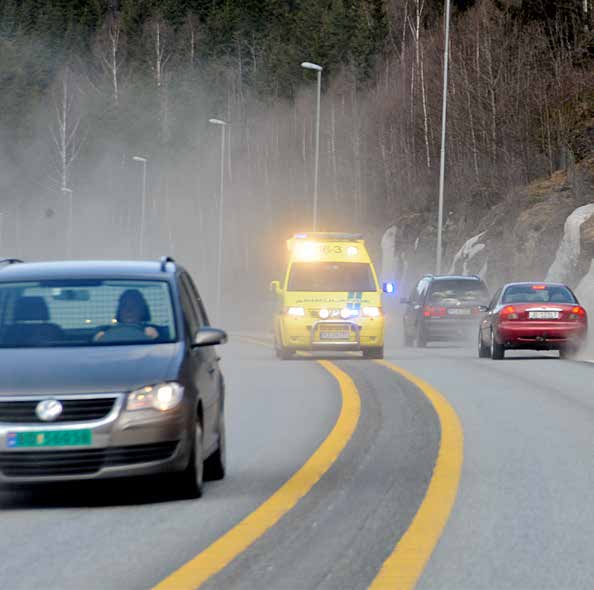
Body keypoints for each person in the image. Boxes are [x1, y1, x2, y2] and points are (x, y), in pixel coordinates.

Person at [94, 289, 158, 342]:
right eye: (124, 306)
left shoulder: (160, 333)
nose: (129, 310)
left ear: (143, 310)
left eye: (134, 305)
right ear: (119, 311)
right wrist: (96, 342)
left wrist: (156, 339)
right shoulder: (103, 332)